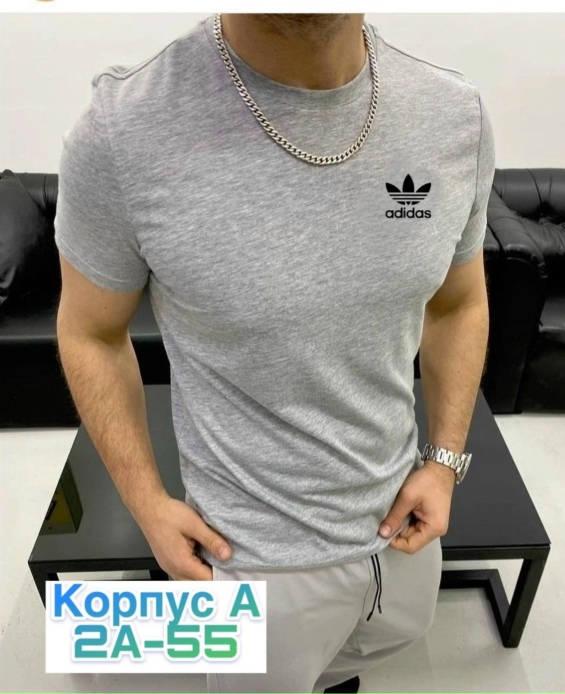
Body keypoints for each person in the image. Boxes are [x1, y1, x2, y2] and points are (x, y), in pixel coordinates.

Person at [54, 12, 495, 694]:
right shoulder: (123, 129)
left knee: (380, 647)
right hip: (246, 557)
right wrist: (146, 505)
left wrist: (444, 463)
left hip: (402, 526)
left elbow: (459, 303)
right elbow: (89, 331)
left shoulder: (454, 113)